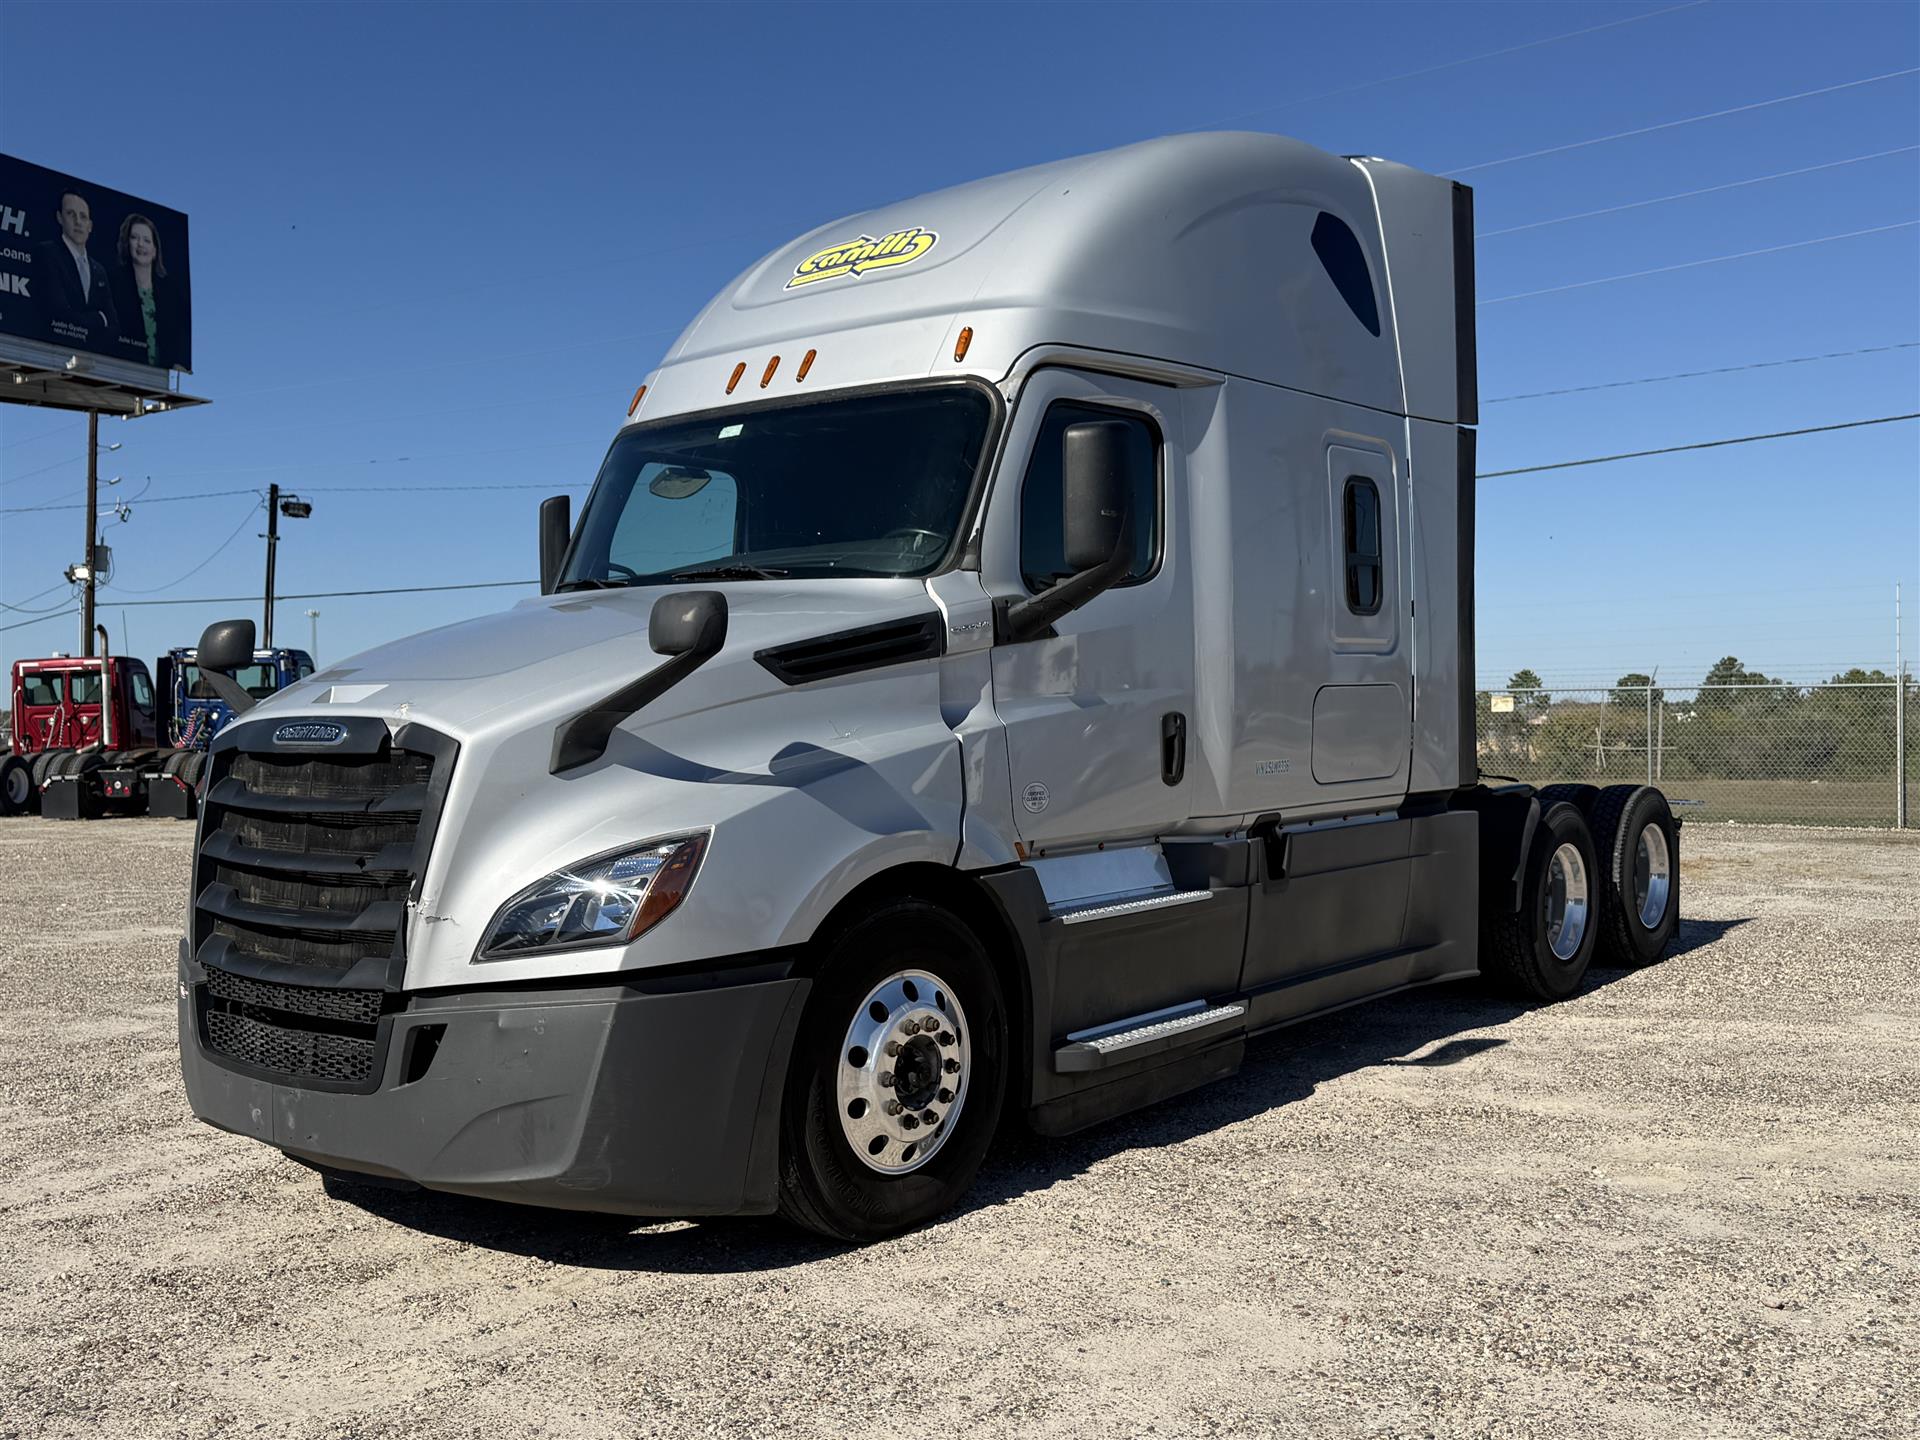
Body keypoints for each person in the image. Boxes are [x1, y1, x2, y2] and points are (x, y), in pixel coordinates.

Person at [33, 190, 118, 343]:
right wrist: (99, 320)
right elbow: (58, 313)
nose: (78, 221)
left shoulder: (99, 270)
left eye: (83, 216)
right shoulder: (47, 253)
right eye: (71, 214)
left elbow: (113, 324)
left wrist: (84, 322)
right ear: (60, 217)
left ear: (90, 226)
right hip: (55, 348)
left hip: (95, 356)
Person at [110, 213, 186, 369]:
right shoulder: (113, 284)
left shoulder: (171, 293)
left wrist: (178, 362)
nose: (140, 245)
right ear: (127, 244)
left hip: (159, 376)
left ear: (154, 250)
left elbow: (180, 335)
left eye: (146, 240)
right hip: (121, 370)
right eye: (134, 238)